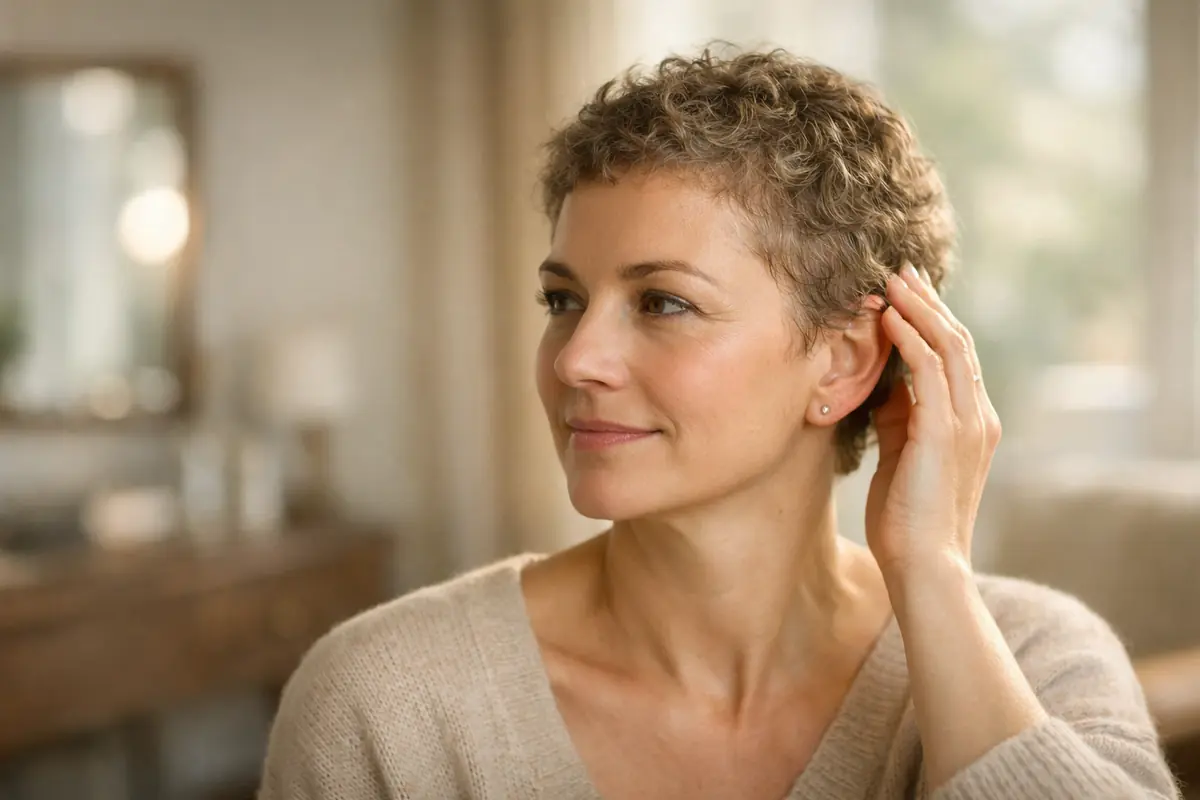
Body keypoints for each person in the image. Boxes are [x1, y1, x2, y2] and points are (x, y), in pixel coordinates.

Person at [258, 48, 1179, 799]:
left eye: (662, 302)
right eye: (562, 299)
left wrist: (933, 575)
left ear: (845, 360)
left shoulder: (1038, 664)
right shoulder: (384, 707)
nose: (577, 359)